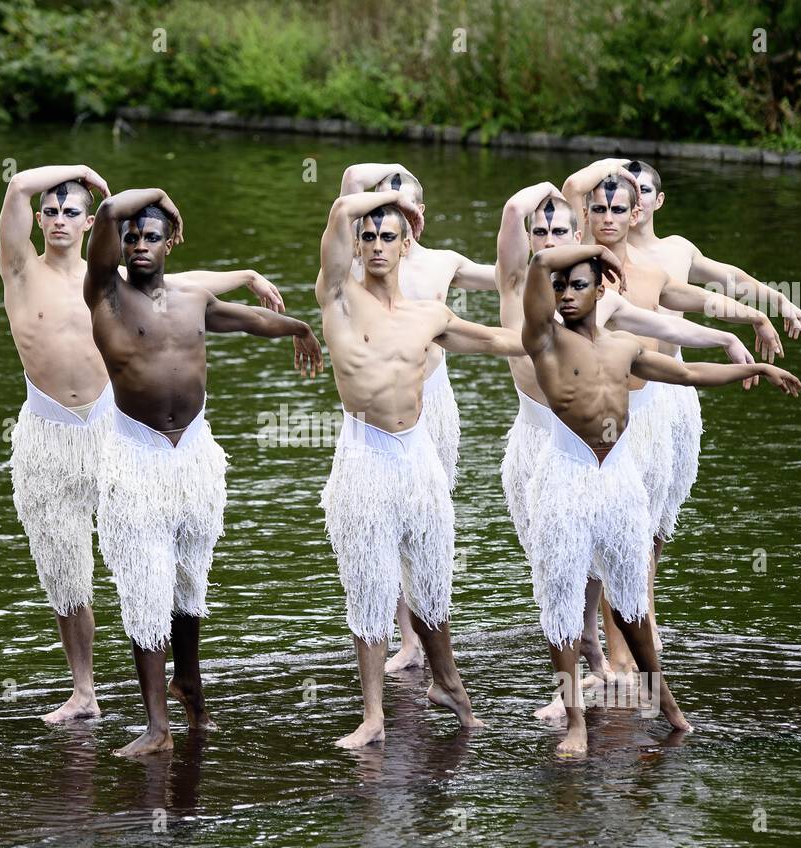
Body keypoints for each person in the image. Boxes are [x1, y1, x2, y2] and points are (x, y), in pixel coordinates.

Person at [0, 164, 289, 723]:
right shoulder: (19, 269)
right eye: (51, 211)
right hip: (48, 432)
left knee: (143, 557)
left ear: (88, 223)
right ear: (39, 220)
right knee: (65, 567)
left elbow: (182, 284)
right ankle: (84, 689)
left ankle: (175, 680)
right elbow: (16, 186)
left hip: (112, 428)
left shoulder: (109, 281)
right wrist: (82, 172)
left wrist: (247, 273)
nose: (59, 219)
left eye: (71, 211)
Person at [520, 242, 801, 754]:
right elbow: (540, 264)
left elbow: (690, 373)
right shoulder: (545, 341)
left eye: (578, 285)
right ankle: (576, 723)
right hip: (566, 476)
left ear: (601, 289)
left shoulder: (624, 348)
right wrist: (598, 249)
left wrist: (755, 371)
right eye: (561, 288)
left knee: (631, 603)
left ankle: (666, 701)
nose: (564, 295)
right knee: (560, 610)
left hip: (618, 478)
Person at [83, 187, 323, 757]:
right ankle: (156, 725)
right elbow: (108, 212)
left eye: (151, 236)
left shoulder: (192, 297)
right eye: (132, 237)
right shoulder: (105, 292)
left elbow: (244, 320)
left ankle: (190, 682)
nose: (139, 244)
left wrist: (296, 328)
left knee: (190, 580)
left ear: (172, 242)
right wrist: (162, 196)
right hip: (136, 455)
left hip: (194, 454)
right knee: (145, 584)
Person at [496, 184, 757, 688]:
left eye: (559, 230)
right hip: (535, 437)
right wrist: (557, 191)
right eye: (540, 231)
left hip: (580, 442)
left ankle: (614, 664)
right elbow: (514, 210)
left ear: (577, 235)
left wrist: (729, 334)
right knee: (554, 573)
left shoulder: (596, 299)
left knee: (598, 560)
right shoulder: (518, 286)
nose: (549, 238)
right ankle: (583, 668)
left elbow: (666, 331)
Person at [316, 188, 526, 748]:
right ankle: (373, 715)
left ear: (407, 243)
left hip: (418, 458)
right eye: (369, 237)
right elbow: (340, 211)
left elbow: (498, 340)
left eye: (389, 236)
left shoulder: (429, 313)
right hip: (364, 457)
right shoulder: (337, 296)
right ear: (356, 247)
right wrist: (394, 191)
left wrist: (568, 333)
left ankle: (450, 685)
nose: (378, 245)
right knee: (371, 587)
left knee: (432, 586)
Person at [339, 163, 498, 674]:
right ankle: (404, 638)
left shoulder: (441, 262)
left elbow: (507, 278)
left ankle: (429, 634)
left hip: (433, 399)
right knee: (381, 522)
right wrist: (389, 172)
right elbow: (345, 190)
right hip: (379, 412)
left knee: (427, 522)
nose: (389, 214)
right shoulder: (362, 263)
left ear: (418, 218)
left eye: (403, 206)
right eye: (382, 202)